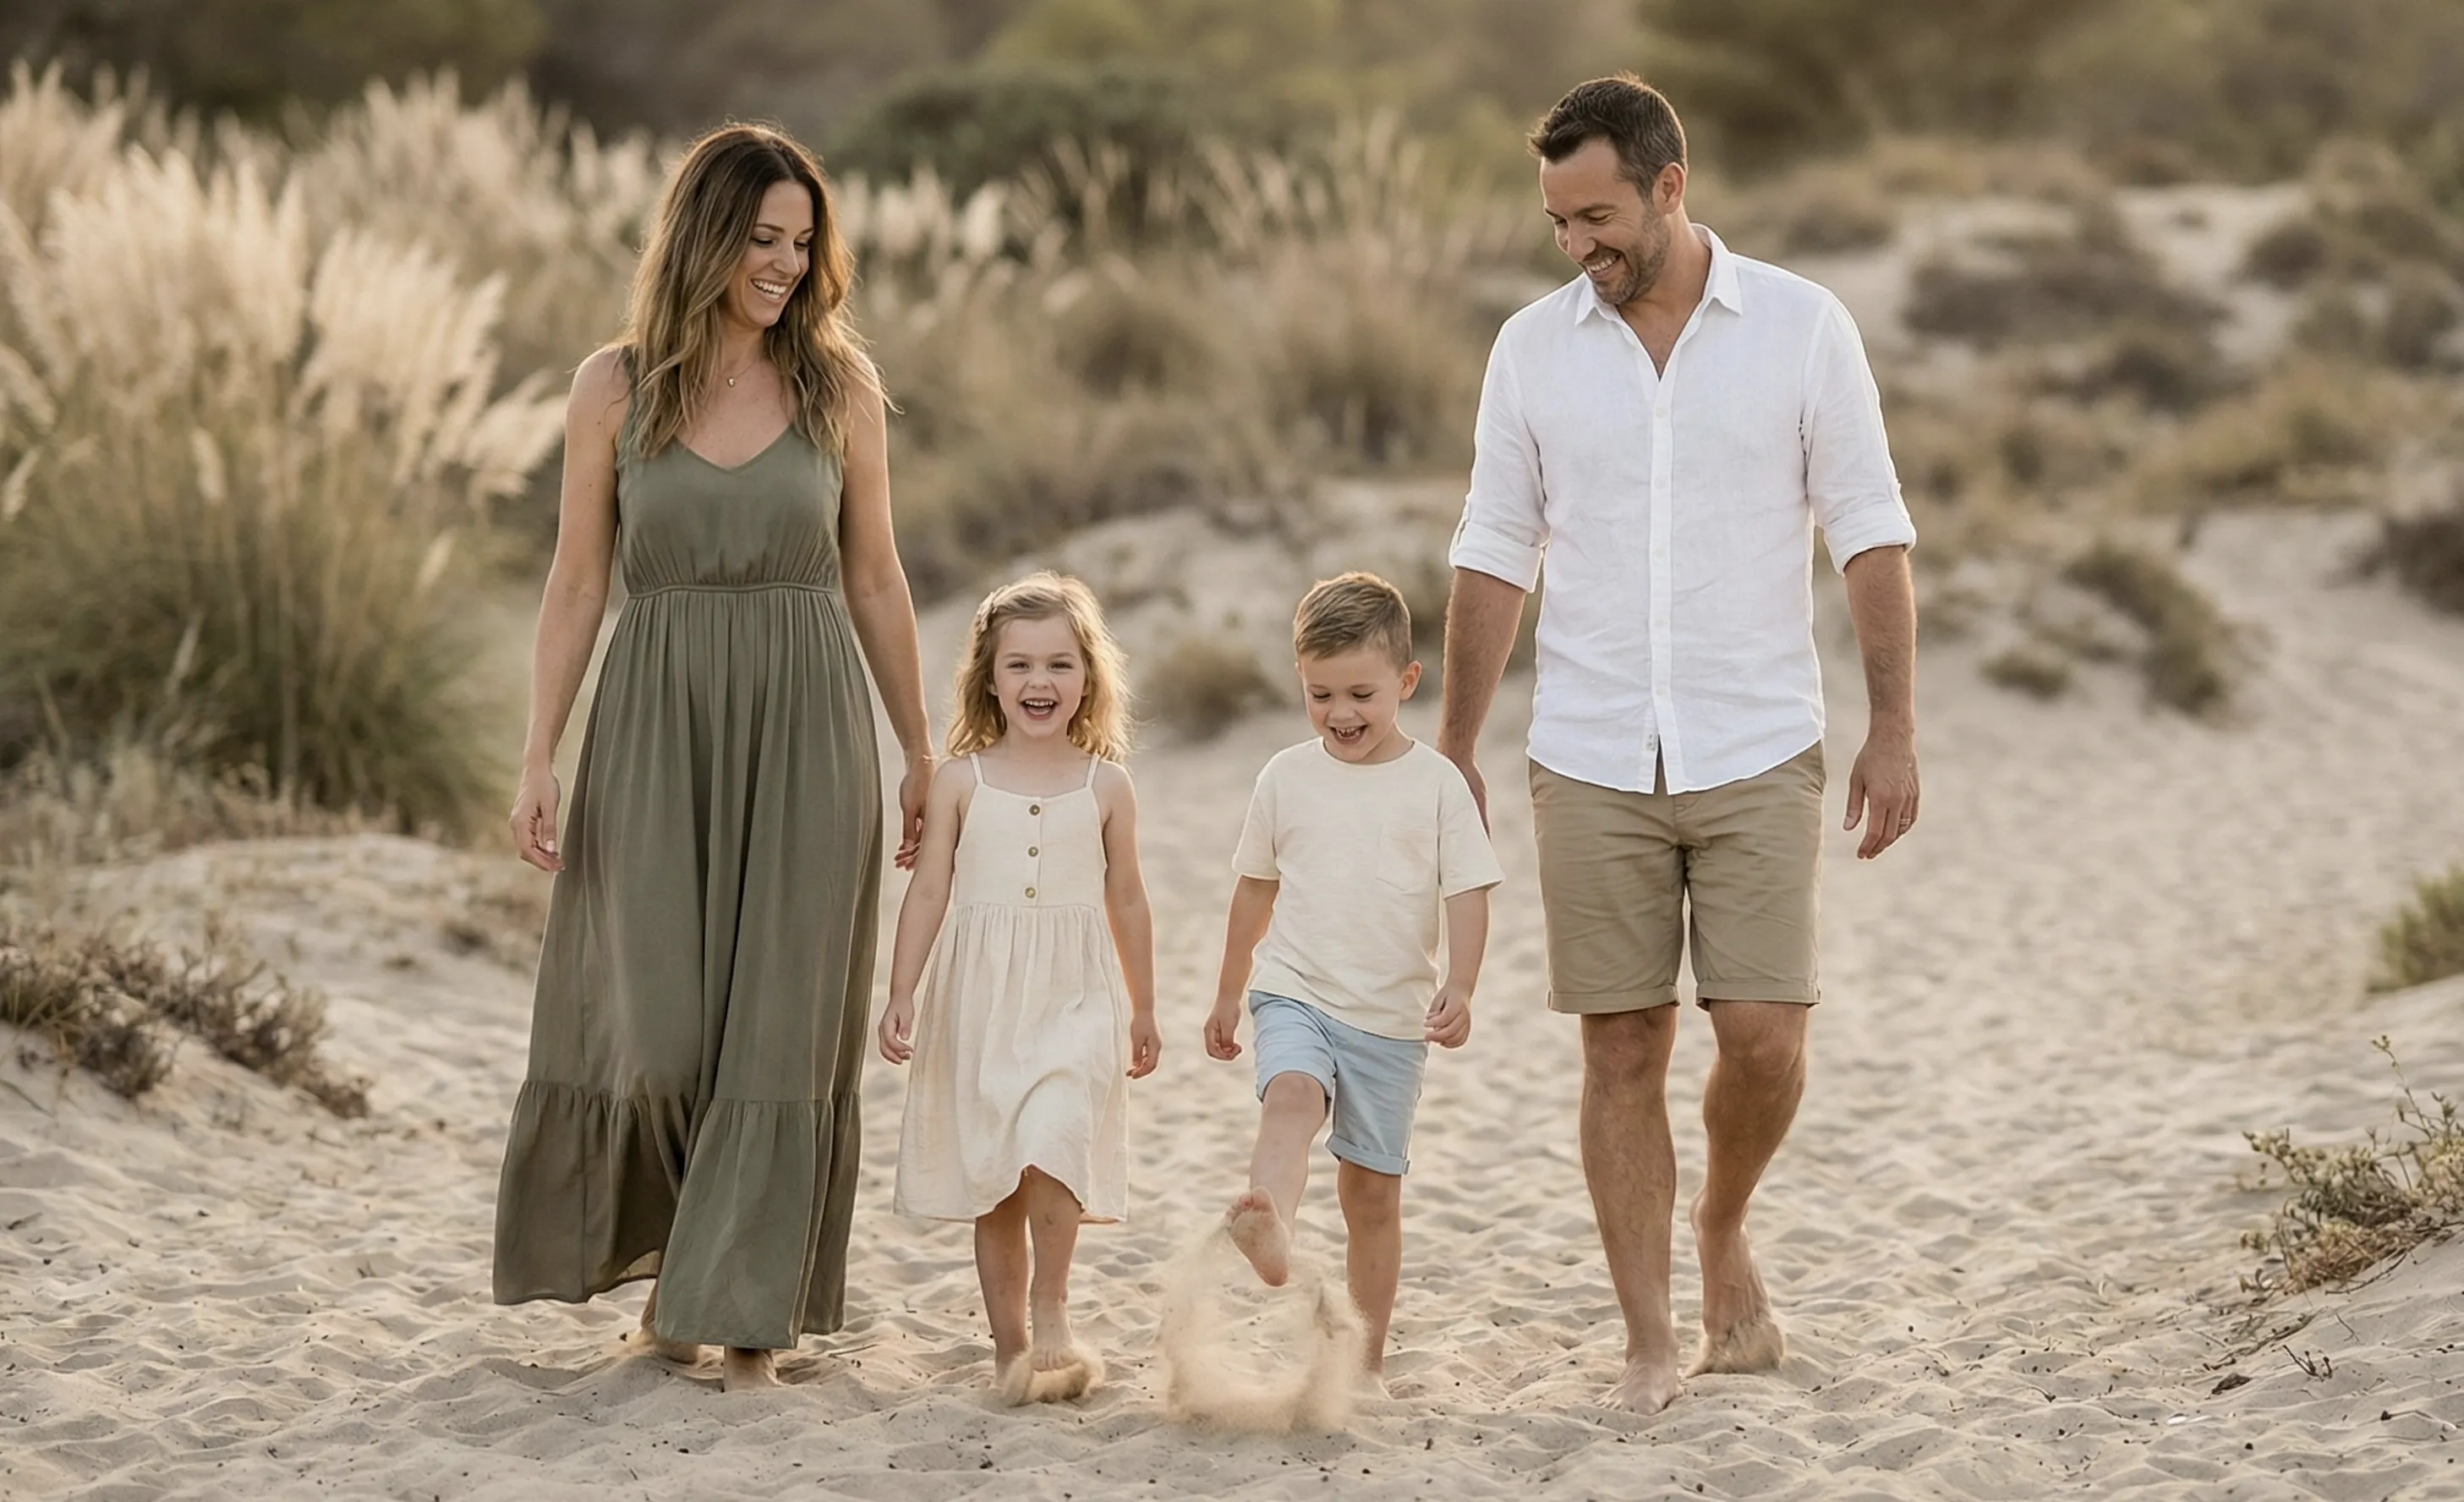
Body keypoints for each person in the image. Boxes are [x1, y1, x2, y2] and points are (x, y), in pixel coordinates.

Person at [1438, 75, 1921, 1415]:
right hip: (1588, 748)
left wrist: (1893, 726)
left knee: (1762, 1036)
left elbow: (1868, 530)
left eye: (1596, 217)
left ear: (1668, 184)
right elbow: (1493, 548)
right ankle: (1650, 1337)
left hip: (1756, 738)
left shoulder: (1802, 328)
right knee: (1620, 1048)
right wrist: (1455, 745)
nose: (1574, 246)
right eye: (1554, 222)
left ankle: (1719, 1223)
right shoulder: (1530, 350)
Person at [493, 123, 934, 1394]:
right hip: (651, 726)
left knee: (781, 1031)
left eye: (802, 243)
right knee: (661, 1031)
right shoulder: (613, 387)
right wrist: (539, 752)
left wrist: (918, 748)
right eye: (761, 239)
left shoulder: (839, 388)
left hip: (808, 728)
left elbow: (875, 576)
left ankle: (743, 1323)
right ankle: (679, 1280)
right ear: (702, 235)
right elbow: (577, 582)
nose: (785, 265)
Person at [1204, 573, 1503, 1382]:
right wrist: (1230, 990)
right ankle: (1269, 1222)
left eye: (1361, 695)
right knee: (1291, 1098)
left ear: (1407, 681)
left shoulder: (1437, 784)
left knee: (1372, 1195)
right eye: (1320, 695)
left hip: (1392, 1021)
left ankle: (1364, 1365)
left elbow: (1468, 891)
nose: (1341, 713)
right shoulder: (1285, 777)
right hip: (1295, 988)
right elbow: (1254, 890)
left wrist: (1463, 985)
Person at [877, 572, 1163, 1405]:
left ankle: (1052, 1304)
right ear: (990, 679)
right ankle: (1011, 1348)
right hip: (981, 1001)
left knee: (1056, 1136)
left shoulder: (1107, 785)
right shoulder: (960, 781)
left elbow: (1128, 897)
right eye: (1020, 665)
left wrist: (1144, 1005)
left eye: (1060, 664)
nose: (1041, 682)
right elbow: (928, 891)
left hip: (1075, 994)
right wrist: (901, 991)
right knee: (995, 1180)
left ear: (1089, 677)